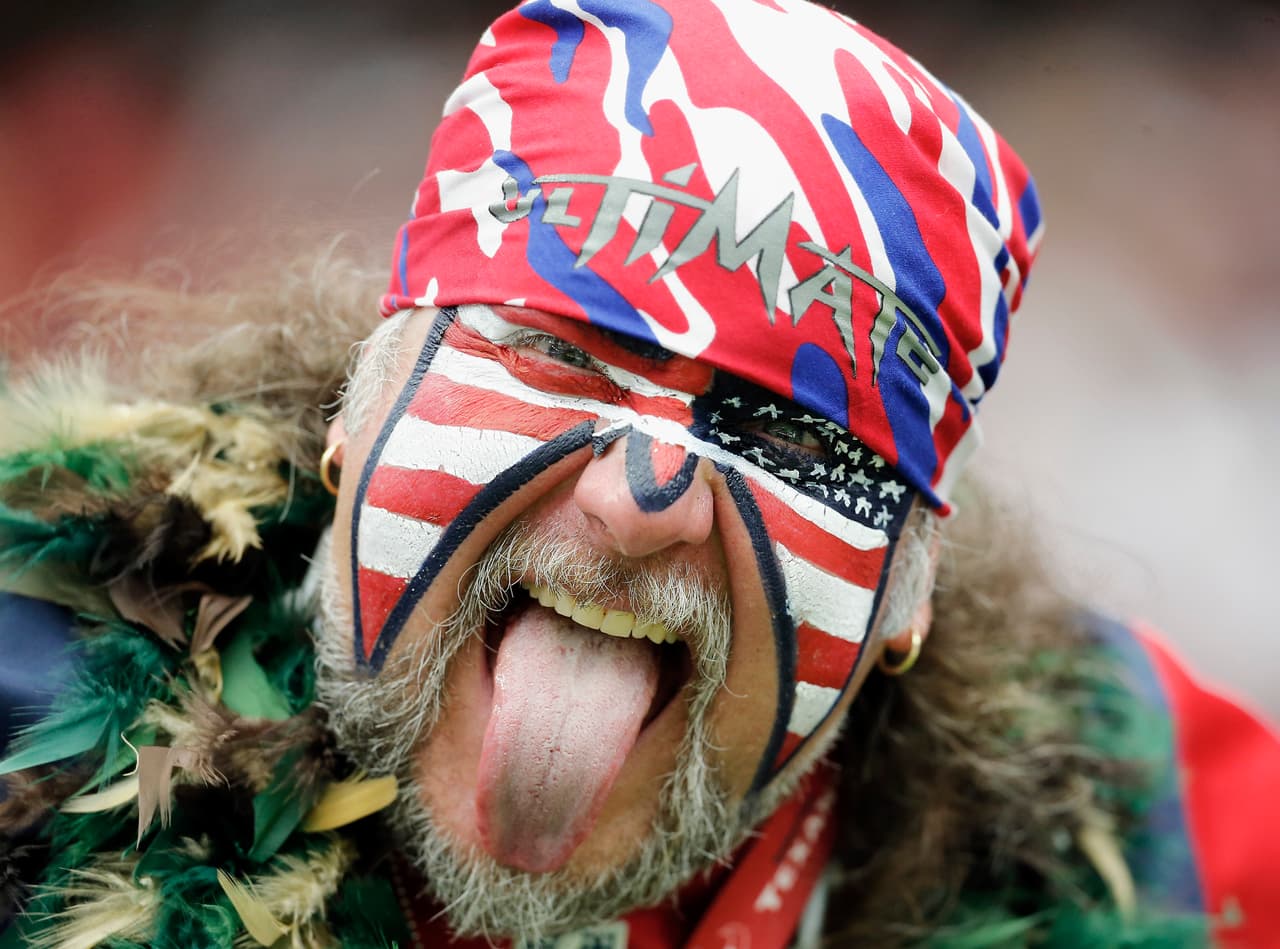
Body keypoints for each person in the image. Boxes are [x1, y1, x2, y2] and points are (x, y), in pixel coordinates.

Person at [1, 1, 1277, 946]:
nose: (638, 500)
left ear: (908, 592)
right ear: (358, 407)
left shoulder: (1170, 822)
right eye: (559, 355)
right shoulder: (22, 708)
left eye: (792, 439)